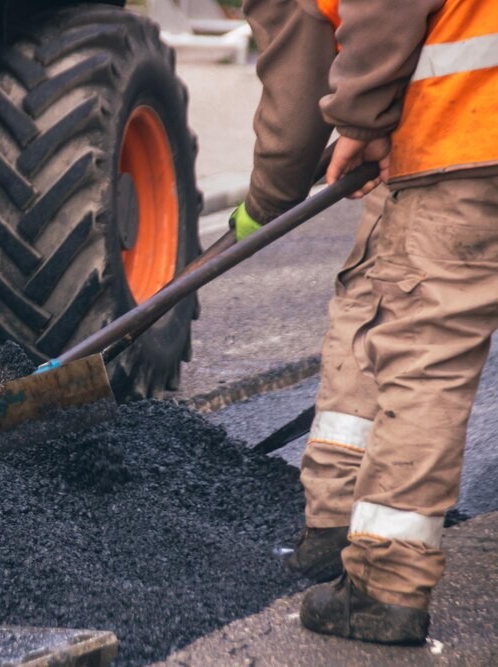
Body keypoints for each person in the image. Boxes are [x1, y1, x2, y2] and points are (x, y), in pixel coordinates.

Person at [232, 0, 498, 645]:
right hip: (454, 135)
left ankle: (382, 582)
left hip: (464, 143)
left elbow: (297, 114)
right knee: (376, 282)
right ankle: (333, 521)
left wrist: (263, 206)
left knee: (420, 346)